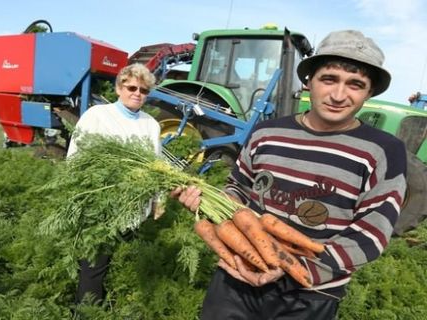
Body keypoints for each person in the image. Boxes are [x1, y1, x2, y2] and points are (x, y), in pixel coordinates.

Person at [172, 30, 407, 320]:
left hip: (309, 292)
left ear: (369, 92)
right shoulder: (267, 132)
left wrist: (291, 267)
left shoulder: (383, 150)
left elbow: (371, 233)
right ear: (309, 82)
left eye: (355, 84)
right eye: (329, 79)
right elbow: (238, 188)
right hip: (239, 275)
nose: (338, 95)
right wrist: (207, 202)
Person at [67, 63, 160, 304]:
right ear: (119, 88)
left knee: (123, 261)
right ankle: (86, 313)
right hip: (102, 205)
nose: (137, 93)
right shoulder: (98, 116)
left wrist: (158, 199)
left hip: (134, 206)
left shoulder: (151, 123)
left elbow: (156, 165)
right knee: (94, 267)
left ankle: (116, 306)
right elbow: (76, 157)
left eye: (144, 90)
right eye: (132, 87)